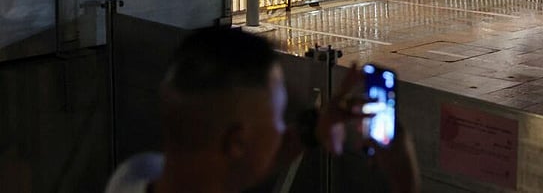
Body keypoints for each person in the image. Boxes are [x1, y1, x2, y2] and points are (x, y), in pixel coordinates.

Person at [104, 26, 419, 193]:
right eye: (279, 119)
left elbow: (223, 173)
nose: (284, 130)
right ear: (237, 143)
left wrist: (314, 130)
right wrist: (405, 182)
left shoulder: (131, 176)